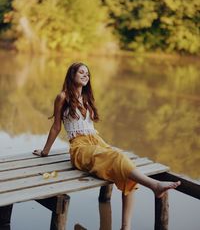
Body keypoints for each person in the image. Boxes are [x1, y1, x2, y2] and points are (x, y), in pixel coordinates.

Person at [33, 62, 181, 230]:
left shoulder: (87, 98)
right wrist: (45, 152)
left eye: (87, 73)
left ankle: (126, 226)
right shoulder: (62, 97)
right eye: (81, 72)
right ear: (71, 74)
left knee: (125, 167)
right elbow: (56, 127)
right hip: (79, 147)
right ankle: (154, 185)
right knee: (117, 157)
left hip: (97, 140)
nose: (85, 75)